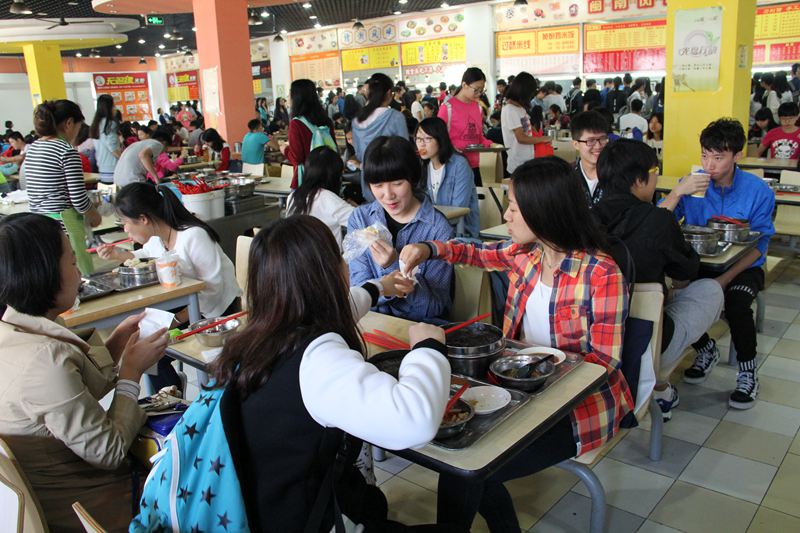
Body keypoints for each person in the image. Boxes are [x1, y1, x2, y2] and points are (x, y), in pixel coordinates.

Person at [399, 157, 633, 532]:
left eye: (514, 207)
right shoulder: (527, 255)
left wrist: (538, 373)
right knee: (461, 460)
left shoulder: (601, 274)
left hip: (578, 408)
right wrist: (429, 249)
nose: (506, 215)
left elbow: (604, 363)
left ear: (544, 211)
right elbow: (476, 253)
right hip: (521, 390)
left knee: (474, 470)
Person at [187, 215, 450, 532]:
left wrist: (379, 287)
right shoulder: (317, 361)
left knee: (372, 503)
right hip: (303, 520)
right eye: (338, 256)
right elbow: (415, 420)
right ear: (327, 274)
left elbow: (339, 309)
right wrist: (427, 349)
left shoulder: (260, 336)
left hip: (262, 507)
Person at [0, 213, 169, 532]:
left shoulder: (13, 330)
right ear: (43, 273)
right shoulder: (44, 361)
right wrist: (131, 373)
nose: (79, 273)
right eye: (72, 262)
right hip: (93, 507)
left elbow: (69, 393)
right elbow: (109, 452)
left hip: (56, 493)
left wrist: (116, 344)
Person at [594, 139, 724, 420]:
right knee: (711, 290)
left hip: (595, 346)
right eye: (655, 171)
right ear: (639, 180)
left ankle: (661, 387)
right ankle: (659, 379)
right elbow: (686, 270)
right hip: (645, 344)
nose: (657, 178)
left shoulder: (584, 221)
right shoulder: (658, 220)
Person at [659, 118, 775, 409]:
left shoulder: (758, 191)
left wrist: (723, 281)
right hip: (700, 263)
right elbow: (658, 224)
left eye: (718, 157)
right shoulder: (693, 184)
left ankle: (748, 372)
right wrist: (677, 192)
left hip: (744, 266)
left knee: (736, 303)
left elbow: (759, 247)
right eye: (704, 156)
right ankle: (706, 348)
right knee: (670, 298)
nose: (709, 165)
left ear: (737, 155)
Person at [99, 183, 241, 389]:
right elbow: (143, 256)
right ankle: (169, 396)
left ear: (143, 219)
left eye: (126, 223)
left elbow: (213, 290)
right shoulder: (158, 239)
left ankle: (171, 397)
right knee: (143, 348)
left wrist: (175, 320)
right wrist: (118, 255)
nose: (125, 229)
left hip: (218, 312)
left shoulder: (193, 236)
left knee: (152, 353)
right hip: (188, 307)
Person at [348, 136, 453, 322]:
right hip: (372, 324)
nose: (388, 195)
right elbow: (359, 289)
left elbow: (433, 307)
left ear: (412, 178)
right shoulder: (361, 219)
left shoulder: (438, 229)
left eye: (397, 183)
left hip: (418, 328)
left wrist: (392, 266)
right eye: (378, 185)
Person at [24, 100, 102, 275]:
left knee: (56, 271)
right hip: (64, 222)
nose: (77, 132)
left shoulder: (34, 148)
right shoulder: (66, 151)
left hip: (39, 221)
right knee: (77, 271)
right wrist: (94, 215)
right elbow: (78, 198)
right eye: (79, 127)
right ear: (69, 123)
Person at [416, 117, 479, 238]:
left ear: (440, 139)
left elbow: (458, 210)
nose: (421, 144)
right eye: (418, 139)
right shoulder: (424, 165)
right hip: (434, 230)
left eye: (427, 139)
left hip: (460, 234)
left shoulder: (459, 165)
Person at [352, 73, 409, 201]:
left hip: (369, 180)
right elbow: (405, 152)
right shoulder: (395, 117)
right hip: (392, 180)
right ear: (389, 93)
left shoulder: (357, 120)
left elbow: (359, 154)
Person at [287, 146, 353, 250]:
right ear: (334, 176)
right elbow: (362, 222)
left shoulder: (293, 196)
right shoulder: (329, 199)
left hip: (297, 256)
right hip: (326, 258)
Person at [439, 67, 493, 186]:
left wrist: (491, 144)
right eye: (476, 90)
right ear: (464, 85)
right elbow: (438, 137)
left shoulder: (478, 107)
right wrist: (452, 148)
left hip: (475, 165)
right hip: (454, 166)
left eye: (482, 90)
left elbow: (479, 137)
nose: (479, 94)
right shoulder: (447, 108)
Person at [280, 79, 337, 189]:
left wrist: (285, 150)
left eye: (290, 94)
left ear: (296, 98)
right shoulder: (326, 121)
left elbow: (297, 158)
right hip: (328, 178)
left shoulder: (296, 123)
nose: (288, 98)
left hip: (306, 180)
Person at [501, 72, 546, 174]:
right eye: (530, 93)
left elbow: (529, 128)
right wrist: (542, 139)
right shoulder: (510, 109)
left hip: (528, 161)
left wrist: (539, 137)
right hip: (518, 164)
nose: (531, 97)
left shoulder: (520, 108)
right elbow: (521, 138)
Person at [571, 111, 611, 207]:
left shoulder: (618, 174)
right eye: (591, 140)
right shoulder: (567, 177)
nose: (598, 146)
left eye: (602, 139)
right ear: (576, 144)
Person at [89, 94, 121, 182]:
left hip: (102, 168)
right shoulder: (109, 124)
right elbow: (113, 148)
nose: (115, 108)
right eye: (113, 106)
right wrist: (124, 159)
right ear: (108, 108)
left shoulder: (96, 124)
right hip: (113, 168)